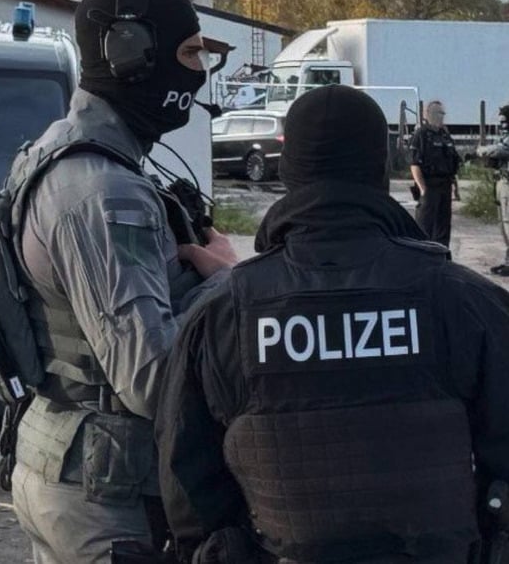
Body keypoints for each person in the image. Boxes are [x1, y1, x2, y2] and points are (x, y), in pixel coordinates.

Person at [155, 85, 509, 563]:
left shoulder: (220, 315)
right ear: (378, 168)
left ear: (289, 173)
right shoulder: (466, 301)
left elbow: (187, 486)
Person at [6, 0, 237, 564]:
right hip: (103, 491)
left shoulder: (54, 149)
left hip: (67, 460)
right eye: (188, 54)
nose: (197, 75)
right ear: (132, 53)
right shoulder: (105, 192)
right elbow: (151, 378)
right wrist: (225, 282)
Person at [410, 100, 461, 246]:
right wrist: (423, 189)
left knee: (443, 228)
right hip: (429, 186)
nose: (441, 117)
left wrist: (455, 188)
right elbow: (415, 165)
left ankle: (442, 260)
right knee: (425, 227)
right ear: (429, 114)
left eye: (442, 113)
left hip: (445, 186)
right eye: (438, 113)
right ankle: (423, 262)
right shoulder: (422, 134)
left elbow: (452, 162)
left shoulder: (445, 135)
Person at [478, 105, 509, 276]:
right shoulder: (504, 137)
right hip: (502, 181)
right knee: (503, 224)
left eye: (504, 121)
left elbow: (499, 150)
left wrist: (481, 151)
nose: (502, 125)